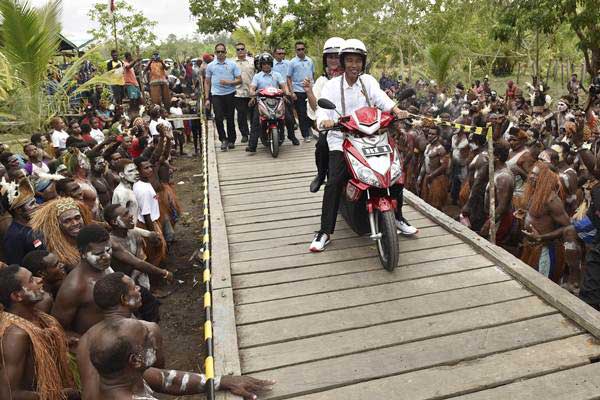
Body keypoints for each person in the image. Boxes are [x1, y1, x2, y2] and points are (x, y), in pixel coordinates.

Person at [309, 39, 412, 251]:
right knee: (335, 180)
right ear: (343, 62)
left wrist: (395, 110)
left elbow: (382, 100)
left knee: (394, 174)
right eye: (349, 60)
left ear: (363, 62)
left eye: (357, 60)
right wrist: (324, 121)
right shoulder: (331, 85)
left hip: (371, 136)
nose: (354, 65)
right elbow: (323, 110)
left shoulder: (369, 82)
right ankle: (325, 231)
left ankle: (399, 217)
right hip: (342, 138)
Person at [87, 317, 274, 400]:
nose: (153, 335)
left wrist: (221, 382)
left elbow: (170, 380)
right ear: (135, 360)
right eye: (146, 337)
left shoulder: (119, 376)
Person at [77, 272, 165, 400]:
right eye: (134, 287)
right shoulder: (148, 329)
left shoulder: (86, 339)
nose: (139, 289)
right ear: (124, 299)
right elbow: (159, 372)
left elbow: (89, 392)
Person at [0, 265, 78, 400]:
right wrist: (60, 395)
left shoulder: (37, 317)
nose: (40, 280)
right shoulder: (15, 335)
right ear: (17, 296)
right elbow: (9, 395)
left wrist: (62, 342)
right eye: (31, 280)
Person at [51, 224, 114, 341]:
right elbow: (57, 329)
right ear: (82, 253)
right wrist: (86, 345)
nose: (106, 257)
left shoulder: (104, 267)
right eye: (98, 254)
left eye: (108, 250)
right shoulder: (75, 286)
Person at [306, 37, 345, 193]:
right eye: (330, 56)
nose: (334, 60)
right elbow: (316, 108)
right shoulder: (322, 81)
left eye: (337, 56)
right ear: (325, 59)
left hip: (356, 125)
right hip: (333, 126)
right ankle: (321, 174)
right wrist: (309, 91)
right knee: (322, 145)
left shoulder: (356, 77)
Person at [520, 162, 570, 282]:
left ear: (545, 179)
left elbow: (568, 227)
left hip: (544, 250)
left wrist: (541, 237)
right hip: (529, 247)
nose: (532, 176)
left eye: (537, 175)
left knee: (540, 285)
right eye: (532, 173)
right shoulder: (534, 193)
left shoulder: (551, 199)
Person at [246, 53, 290, 153]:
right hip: (262, 102)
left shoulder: (277, 75)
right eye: (264, 64)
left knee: (289, 119)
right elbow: (252, 88)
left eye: (268, 64)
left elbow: (284, 86)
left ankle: (291, 137)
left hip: (277, 101)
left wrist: (286, 92)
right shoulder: (257, 76)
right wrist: (253, 93)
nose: (266, 66)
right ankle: (252, 146)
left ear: (271, 64)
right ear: (261, 65)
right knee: (255, 122)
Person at [205, 43, 242, 151]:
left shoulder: (232, 64)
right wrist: (207, 98)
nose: (220, 54)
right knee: (218, 118)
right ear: (215, 53)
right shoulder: (210, 66)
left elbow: (239, 80)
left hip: (230, 94)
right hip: (216, 95)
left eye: (222, 51)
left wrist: (229, 82)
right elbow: (207, 82)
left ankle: (231, 140)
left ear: (225, 53)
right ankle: (223, 139)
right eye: (218, 52)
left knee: (230, 118)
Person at [1, 178, 44, 265]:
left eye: (35, 202)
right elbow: (17, 267)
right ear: (18, 210)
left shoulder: (36, 222)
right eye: (32, 204)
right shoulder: (14, 236)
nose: (38, 206)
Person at [133, 157, 166, 266]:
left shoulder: (142, 184)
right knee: (155, 253)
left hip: (150, 222)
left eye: (150, 167)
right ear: (138, 171)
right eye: (146, 168)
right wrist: (154, 235)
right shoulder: (143, 190)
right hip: (149, 224)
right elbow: (146, 214)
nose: (150, 169)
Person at [288, 41, 315, 142]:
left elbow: (313, 74)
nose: (301, 51)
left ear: (305, 49)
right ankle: (305, 135)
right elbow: (289, 78)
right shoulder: (292, 62)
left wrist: (314, 88)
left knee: (311, 112)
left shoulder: (310, 61)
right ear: (295, 50)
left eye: (302, 49)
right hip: (298, 90)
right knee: (301, 113)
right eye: (298, 49)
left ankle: (310, 129)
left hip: (310, 90)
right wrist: (292, 92)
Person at [233, 42, 254, 144]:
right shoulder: (232, 63)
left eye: (242, 49)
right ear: (236, 51)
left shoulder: (252, 61)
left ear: (245, 50)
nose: (240, 51)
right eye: (238, 49)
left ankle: (255, 133)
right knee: (241, 115)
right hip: (238, 93)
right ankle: (245, 134)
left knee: (253, 114)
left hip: (252, 93)